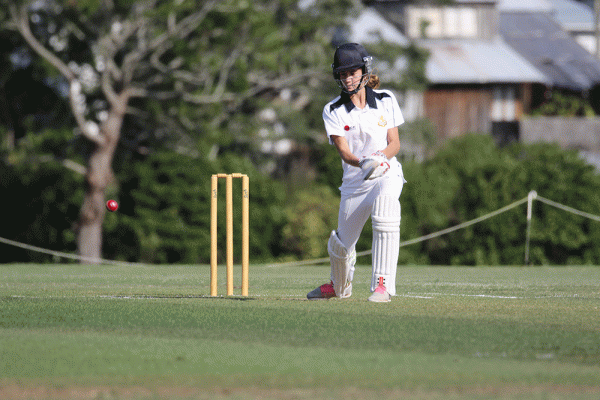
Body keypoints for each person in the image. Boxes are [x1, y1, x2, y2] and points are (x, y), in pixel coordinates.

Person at [307, 43, 406, 303]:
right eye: (343, 74)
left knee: (385, 209)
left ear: (364, 70)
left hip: (386, 173)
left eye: (352, 72)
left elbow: (394, 143)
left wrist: (379, 159)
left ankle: (382, 285)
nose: (348, 78)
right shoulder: (333, 110)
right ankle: (338, 286)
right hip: (356, 181)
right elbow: (344, 151)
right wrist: (363, 163)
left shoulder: (385, 99)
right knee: (341, 246)